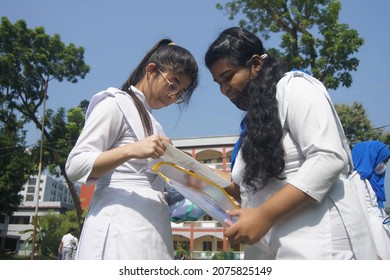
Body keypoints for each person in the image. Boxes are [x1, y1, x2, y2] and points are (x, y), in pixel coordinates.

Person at [204, 27, 376, 259]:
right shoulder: (252, 128)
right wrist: (189, 174)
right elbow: (243, 187)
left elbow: (328, 158)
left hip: (319, 239)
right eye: (218, 83)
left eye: (228, 77)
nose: (225, 90)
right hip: (271, 248)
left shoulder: (295, 88)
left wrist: (265, 215)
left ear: (255, 64)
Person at [65, 39, 198, 259]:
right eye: (172, 84)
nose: (173, 96)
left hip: (152, 225)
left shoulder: (156, 125)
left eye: (180, 92)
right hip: (119, 221)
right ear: (151, 70)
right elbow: (75, 166)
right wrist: (131, 150)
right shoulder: (114, 104)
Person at [349, 140, 390, 259]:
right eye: (383, 160)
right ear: (372, 157)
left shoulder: (373, 180)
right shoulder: (357, 179)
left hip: (380, 232)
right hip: (371, 235)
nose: (384, 165)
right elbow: (360, 215)